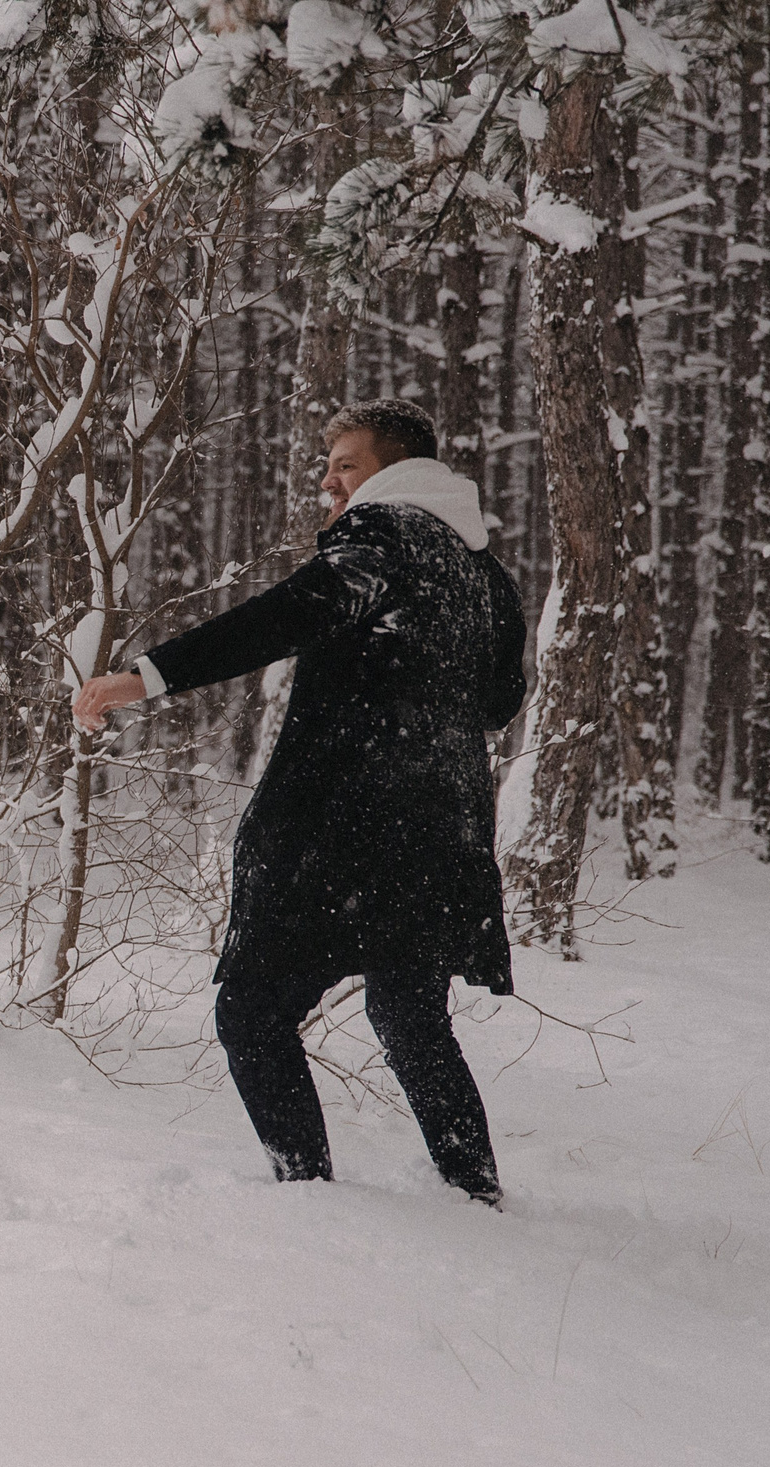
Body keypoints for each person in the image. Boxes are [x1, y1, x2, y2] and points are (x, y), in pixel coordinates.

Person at [73, 399, 525, 1206]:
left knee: (251, 1009)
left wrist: (148, 675)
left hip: (345, 827)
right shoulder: (484, 572)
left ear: (394, 468)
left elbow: (282, 616)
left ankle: (308, 1198)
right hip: (443, 834)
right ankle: (476, 1194)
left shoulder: (382, 539)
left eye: (344, 464)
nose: (328, 482)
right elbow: (499, 701)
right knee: (410, 1015)